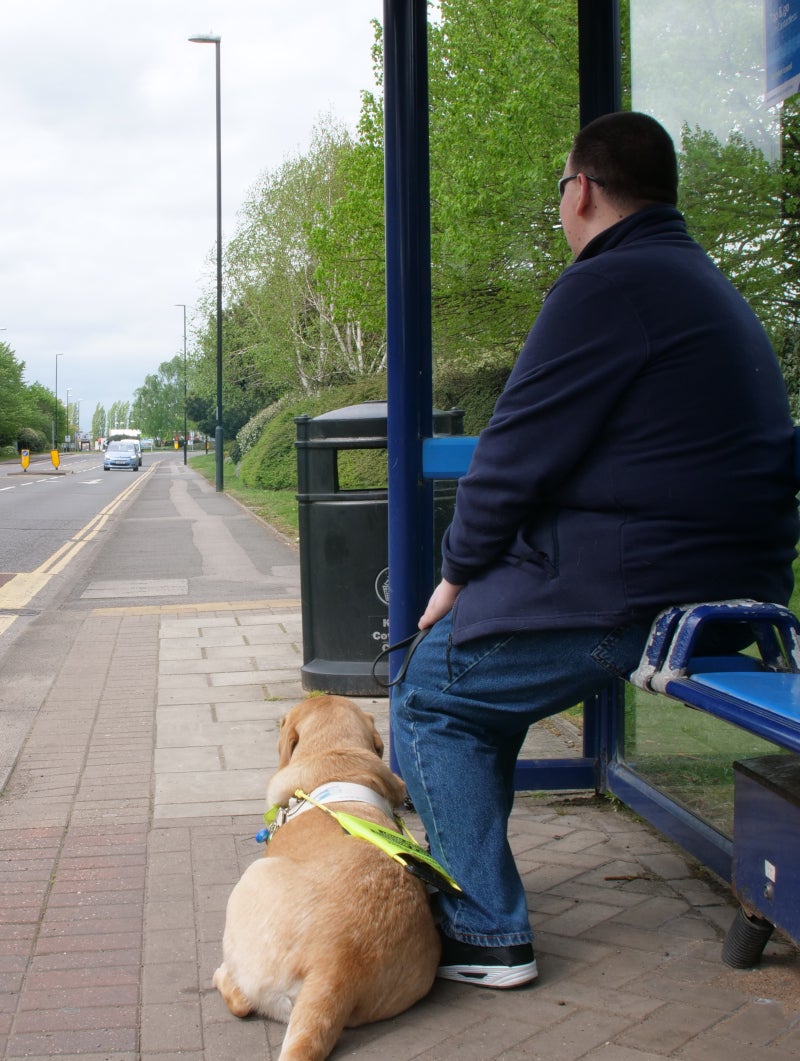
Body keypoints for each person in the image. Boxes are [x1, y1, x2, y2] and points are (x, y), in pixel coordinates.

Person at [391, 111, 799, 990]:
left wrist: (455, 574)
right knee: (472, 685)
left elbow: (513, 449)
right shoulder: (695, 279)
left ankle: (485, 925)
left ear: (581, 189)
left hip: (650, 593)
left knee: (432, 690)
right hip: (732, 583)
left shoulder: (605, 285)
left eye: (561, 190)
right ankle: (478, 889)